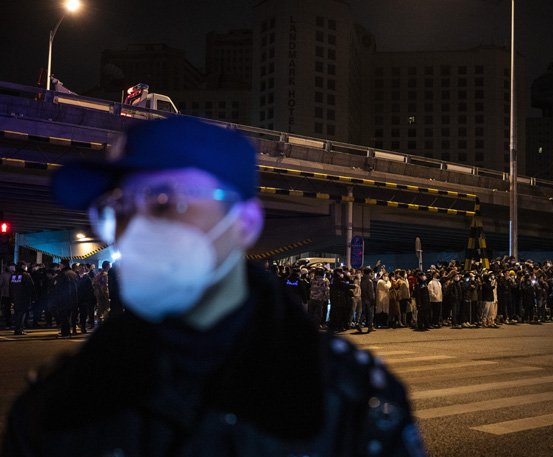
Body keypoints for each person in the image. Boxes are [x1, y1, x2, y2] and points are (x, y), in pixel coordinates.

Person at [1, 117, 424, 456]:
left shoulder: (351, 398)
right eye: (119, 207)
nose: (136, 228)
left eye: (165, 201)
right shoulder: (60, 402)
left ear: (245, 222)